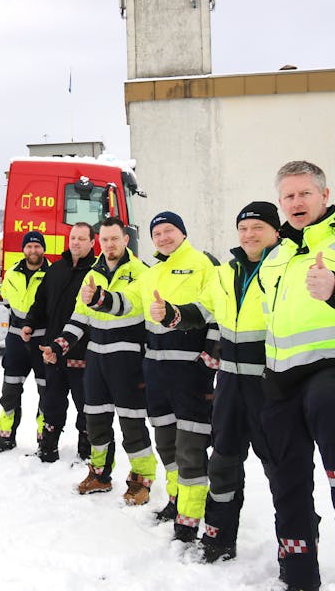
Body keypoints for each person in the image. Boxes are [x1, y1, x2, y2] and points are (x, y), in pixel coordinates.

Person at [257, 161, 335, 589]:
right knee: (285, 472)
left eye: (305, 193)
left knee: (327, 408)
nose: (296, 202)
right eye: (289, 196)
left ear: (325, 196)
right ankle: (297, 565)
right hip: (281, 379)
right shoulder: (274, 258)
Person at [151, 201, 281, 561]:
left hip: (271, 388)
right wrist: (174, 314)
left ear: (275, 231)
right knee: (223, 463)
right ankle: (219, 539)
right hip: (230, 386)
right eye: (244, 228)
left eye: (258, 227)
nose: (249, 235)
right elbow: (204, 310)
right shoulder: (227, 270)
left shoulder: (286, 268)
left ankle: (296, 548)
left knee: (281, 471)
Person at [87, 211, 219, 541]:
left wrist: (210, 357)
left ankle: (191, 517)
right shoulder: (152, 272)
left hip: (190, 370)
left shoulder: (205, 264)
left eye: (169, 230)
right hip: (157, 370)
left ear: (183, 233)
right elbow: (131, 304)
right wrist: (101, 299)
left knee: (191, 448)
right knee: (167, 444)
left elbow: (217, 310)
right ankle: (177, 501)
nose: (163, 237)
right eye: (157, 233)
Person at [60, 217, 155, 504]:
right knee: (95, 421)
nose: (110, 245)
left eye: (115, 239)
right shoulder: (93, 273)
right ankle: (100, 475)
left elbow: (130, 304)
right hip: (96, 359)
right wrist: (60, 343)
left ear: (126, 240)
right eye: (104, 240)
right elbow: (80, 316)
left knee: (131, 424)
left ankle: (141, 480)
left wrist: (100, 298)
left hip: (127, 361)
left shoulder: (141, 272)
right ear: (98, 242)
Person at [23, 222, 95, 463]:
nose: (75, 242)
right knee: (51, 401)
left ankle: (86, 450)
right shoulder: (56, 269)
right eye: (73, 237)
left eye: (81, 239)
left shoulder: (95, 273)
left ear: (92, 243)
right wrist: (29, 323)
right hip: (53, 351)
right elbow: (40, 302)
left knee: (85, 404)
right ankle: (48, 447)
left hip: (83, 353)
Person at [0, 231, 50, 453]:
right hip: (16, 340)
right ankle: (6, 436)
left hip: (42, 340)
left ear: (43, 249)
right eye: (29, 247)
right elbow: (6, 300)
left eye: (37, 246)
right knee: (10, 391)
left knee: (46, 391)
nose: (33, 251)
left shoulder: (52, 275)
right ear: (24, 249)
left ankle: (45, 439)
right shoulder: (12, 273)